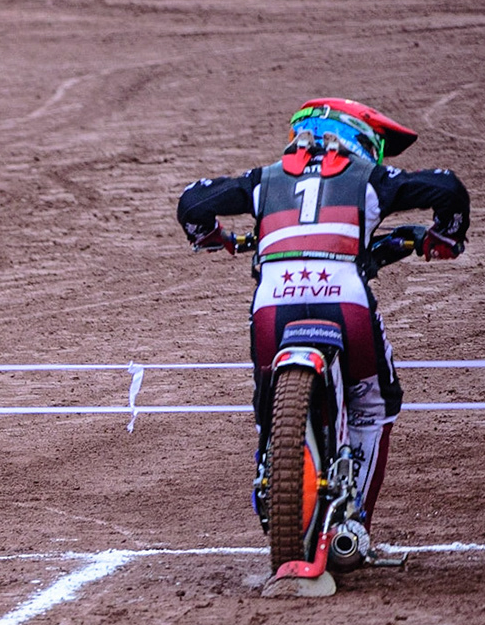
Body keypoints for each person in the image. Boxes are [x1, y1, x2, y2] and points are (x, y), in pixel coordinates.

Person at [176, 98, 469, 541]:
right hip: (344, 301)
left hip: (273, 303)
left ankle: (268, 471)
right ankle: (355, 527)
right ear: (360, 138)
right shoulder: (370, 178)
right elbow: (447, 189)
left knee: (266, 403)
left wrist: (214, 237)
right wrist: (445, 236)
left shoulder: (264, 182)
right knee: (372, 407)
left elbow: (193, 202)